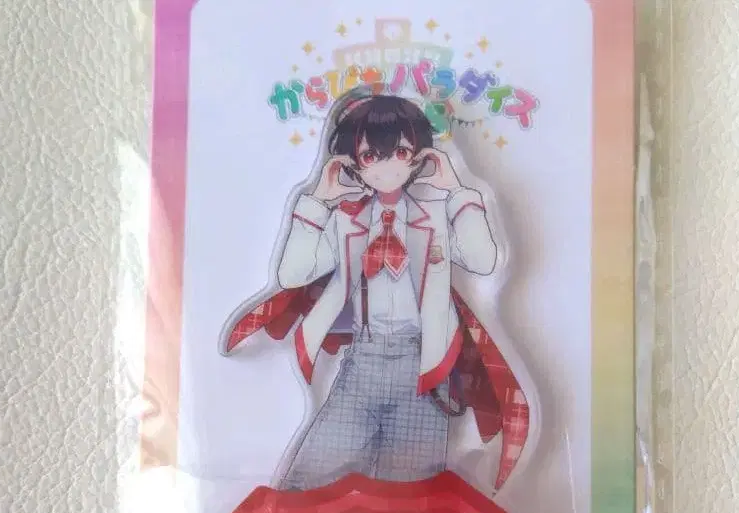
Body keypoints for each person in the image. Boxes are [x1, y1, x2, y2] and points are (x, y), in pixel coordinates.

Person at [220, 91, 528, 491]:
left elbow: (484, 261)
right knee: (307, 484)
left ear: (419, 156)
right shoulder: (347, 222)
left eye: (400, 152)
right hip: (361, 365)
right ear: (352, 161)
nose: (387, 166)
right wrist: (317, 201)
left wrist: (458, 192)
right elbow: (292, 274)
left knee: (411, 495)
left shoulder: (436, 216)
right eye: (370, 156)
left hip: (423, 369)